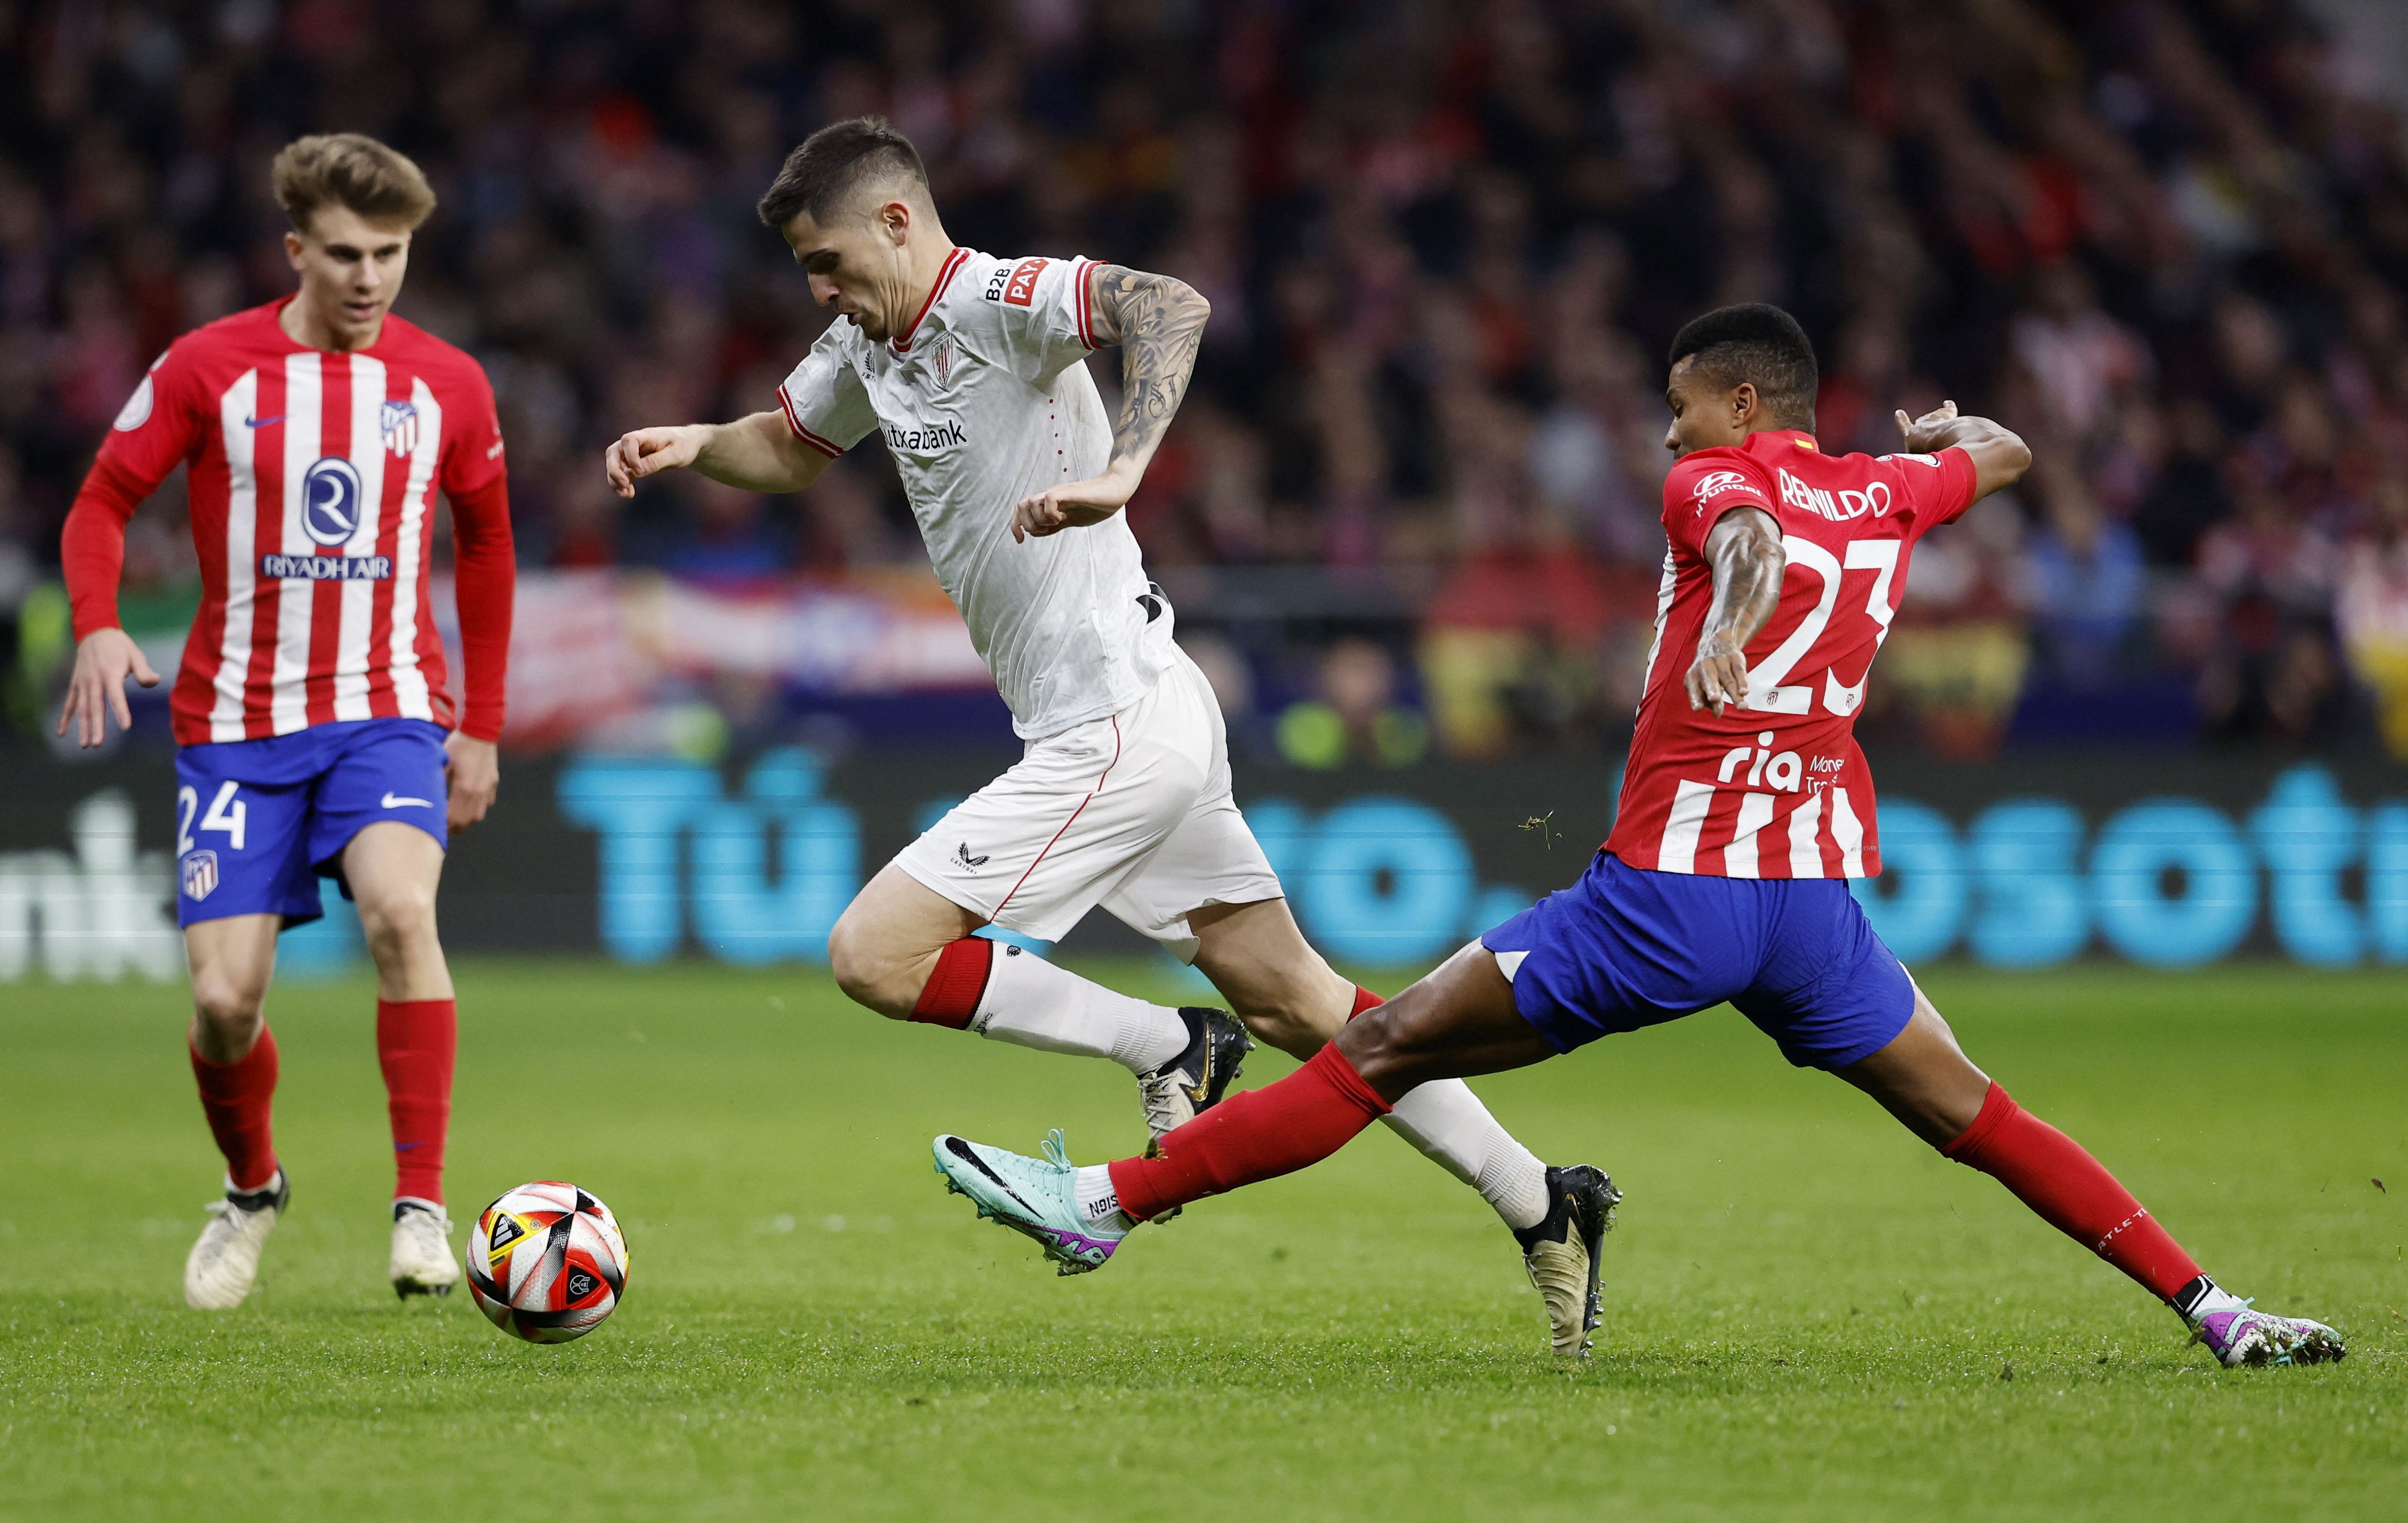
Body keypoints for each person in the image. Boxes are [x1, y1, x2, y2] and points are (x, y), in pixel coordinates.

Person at [933, 303, 2347, 1370]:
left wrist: (1730, 619)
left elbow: (1734, 537)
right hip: (1812, 908)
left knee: (1375, 1047)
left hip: (1668, 898)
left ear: (1738, 401)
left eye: (1679, 409)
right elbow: (2006, 447)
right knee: (1977, 1118)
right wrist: (1932, 442)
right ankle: (2211, 1308)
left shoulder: (1706, 486)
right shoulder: (1884, 490)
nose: (1663, 437)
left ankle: (1106, 1202)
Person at [605, 118, 1608, 1350]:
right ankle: (1542, 1201)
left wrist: (1127, 464)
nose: (818, 290)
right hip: (1119, 713)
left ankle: (1169, 1041)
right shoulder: (867, 344)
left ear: (898, 223)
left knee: (875, 953)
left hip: (1119, 725)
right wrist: (698, 443)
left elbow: (1171, 307)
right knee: (1302, 1000)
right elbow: (790, 450)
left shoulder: (1002, 299)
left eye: (826, 261)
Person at [55, 134, 515, 1309]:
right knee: (223, 1005)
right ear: (297, 249)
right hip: (236, 725)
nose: (370, 279)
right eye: (348, 255)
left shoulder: (449, 383)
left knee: (403, 912)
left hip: (387, 711)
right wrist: (99, 621)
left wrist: (483, 725)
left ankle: (421, 1206)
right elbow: (105, 499)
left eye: (394, 255)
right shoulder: (212, 367)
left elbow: (488, 547)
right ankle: (253, 1188)